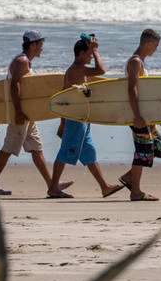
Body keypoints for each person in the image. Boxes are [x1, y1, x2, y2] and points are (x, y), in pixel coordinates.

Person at [0, 30, 73, 198]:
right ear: (33, 45)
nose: (42, 48)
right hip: (20, 114)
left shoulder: (25, 61)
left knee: (36, 149)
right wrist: (18, 112)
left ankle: (52, 185)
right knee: (8, 148)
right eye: (40, 45)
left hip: (28, 114)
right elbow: (14, 87)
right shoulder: (21, 61)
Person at [48, 35, 127, 198]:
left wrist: (62, 123)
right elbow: (101, 70)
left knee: (89, 153)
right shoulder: (77, 69)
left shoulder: (74, 69)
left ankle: (104, 187)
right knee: (65, 152)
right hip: (76, 119)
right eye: (89, 53)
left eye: (92, 53)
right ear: (81, 53)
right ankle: (53, 188)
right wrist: (96, 50)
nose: (91, 56)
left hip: (82, 119)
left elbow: (64, 96)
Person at [118, 28, 161, 202]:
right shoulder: (135, 62)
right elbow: (132, 89)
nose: (156, 49)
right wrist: (137, 116)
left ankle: (130, 177)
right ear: (148, 43)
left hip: (145, 114)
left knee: (156, 146)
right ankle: (135, 192)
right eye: (156, 45)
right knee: (143, 151)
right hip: (138, 114)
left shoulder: (139, 62)